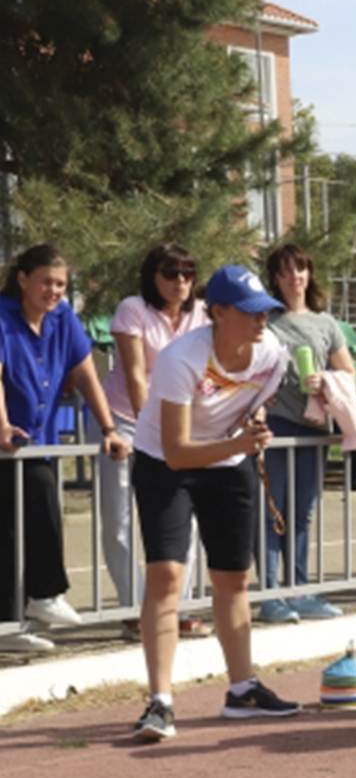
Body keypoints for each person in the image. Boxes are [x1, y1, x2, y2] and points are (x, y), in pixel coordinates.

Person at [126, 266, 300, 739]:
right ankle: (160, 702)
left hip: (229, 464)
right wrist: (240, 445)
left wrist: (253, 429)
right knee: (167, 576)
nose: (262, 320)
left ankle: (243, 689)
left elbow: (253, 404)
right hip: (165, 464)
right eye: (250, 312)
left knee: (234, 577)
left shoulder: (273, 354)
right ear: (217, 313)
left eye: (266, 310)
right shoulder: (180, 358)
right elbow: (179, 450)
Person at [0, 244, 130, 653]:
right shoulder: (2, 318)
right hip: (9, 439)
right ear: (22, 278)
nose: (53, 291)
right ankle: (45, 594)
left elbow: (87, 374)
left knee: (19, 525)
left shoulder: (63, 320)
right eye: (46, 282)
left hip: (42, 441)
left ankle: (9, 624)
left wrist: (109, 427)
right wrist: (1, 423)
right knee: (22, 519)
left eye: (60, 284)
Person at [101, 244, 207, 631]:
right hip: (129, 420)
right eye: (171, 273)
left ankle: (175, 609)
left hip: (181, 427)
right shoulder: (133, 309)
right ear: (153, 275)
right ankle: (132, 609)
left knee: (186, 519)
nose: (181, 281)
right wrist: (153, 430)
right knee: (120, 518)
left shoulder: (202, 314)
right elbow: (134, 376)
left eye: (188, 273)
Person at [257, 242, 354, 624]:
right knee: (272, 511)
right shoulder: (267, 321)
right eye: (285, 271)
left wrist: (326, 381)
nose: (294, 277)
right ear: (275, 279)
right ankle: (269, 594)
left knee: (302, 513)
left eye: (300, 269)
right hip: (277, 424)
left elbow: (350, 376)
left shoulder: (326, 323)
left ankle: (298, 589)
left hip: (313, 425)